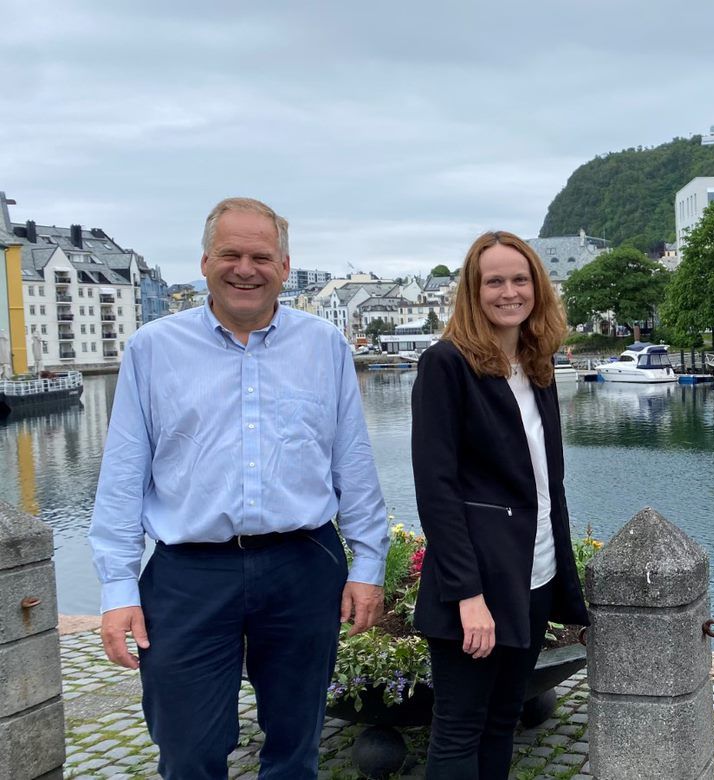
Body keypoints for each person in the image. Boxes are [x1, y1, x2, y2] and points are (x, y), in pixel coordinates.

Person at [90, 197, 390, 778]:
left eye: (261, 257)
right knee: (187, 749)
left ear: (285, 266)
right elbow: (123, 476)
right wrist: (118, 587)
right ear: (205, 261)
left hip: (302, 563)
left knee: (295, 748)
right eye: (230, 254)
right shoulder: (153, 349)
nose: (245, 269)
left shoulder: (324, 346)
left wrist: (368, 565)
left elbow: (352, 465)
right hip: (189, 573)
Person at [411, 230, 590, 779]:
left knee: (502, 720)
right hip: (478, 584)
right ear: (473, 290)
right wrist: (467, 596)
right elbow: (436, 490)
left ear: (537, 287)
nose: (509, 292)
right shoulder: (446, 364)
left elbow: (547, 483)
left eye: (520, 279)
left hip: (535, 576)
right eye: (494, 281)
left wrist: (563, 580)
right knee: (459, 729)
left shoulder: (537, 364)